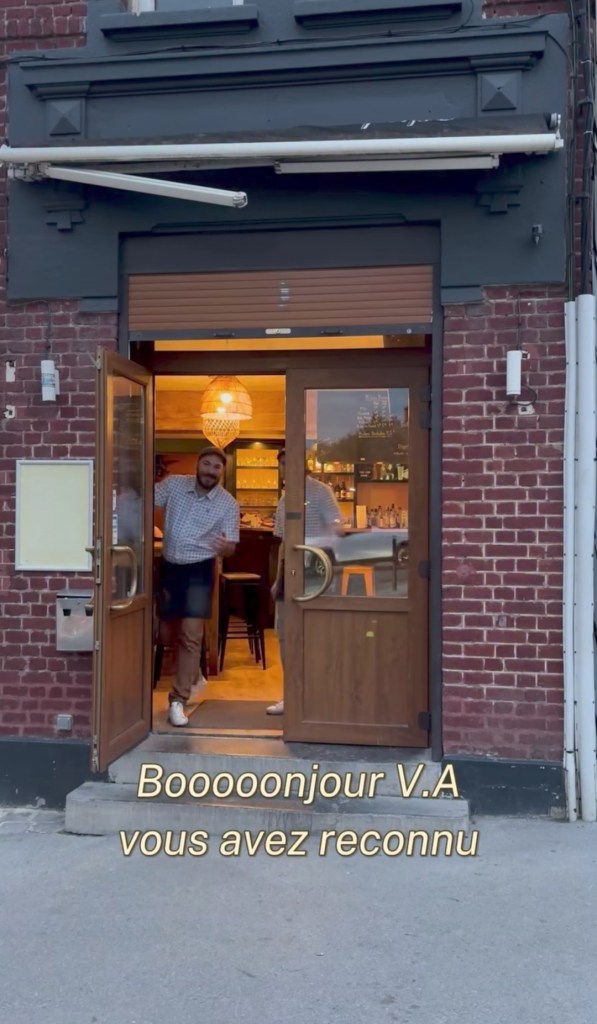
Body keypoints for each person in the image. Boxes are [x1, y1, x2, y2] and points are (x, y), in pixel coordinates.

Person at [154, 446, 239, 727]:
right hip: (169, 567)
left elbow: (231, 548)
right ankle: (194, 675)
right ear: (198, 465)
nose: (210, 471)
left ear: (222, 471)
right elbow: (146, 500)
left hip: (199, 571)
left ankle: (178, 700)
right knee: (164, 633)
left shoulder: (228, 504)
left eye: (216, 467)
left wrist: (226, 547)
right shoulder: (175, 485)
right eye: (206, 464)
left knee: (191, 635)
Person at [267, 448, 343, 716]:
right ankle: (291, 694)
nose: (287, 468)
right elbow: (283, 542)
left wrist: (324, 565)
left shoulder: (321, 492)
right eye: (283, 464)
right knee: (286, 634)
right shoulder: (284, 498)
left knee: (314, 633)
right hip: (289, 570)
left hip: (315, 569)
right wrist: (277, 580)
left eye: (291, 462)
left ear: (304, 464)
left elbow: (337, 531)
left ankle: (318, 697)